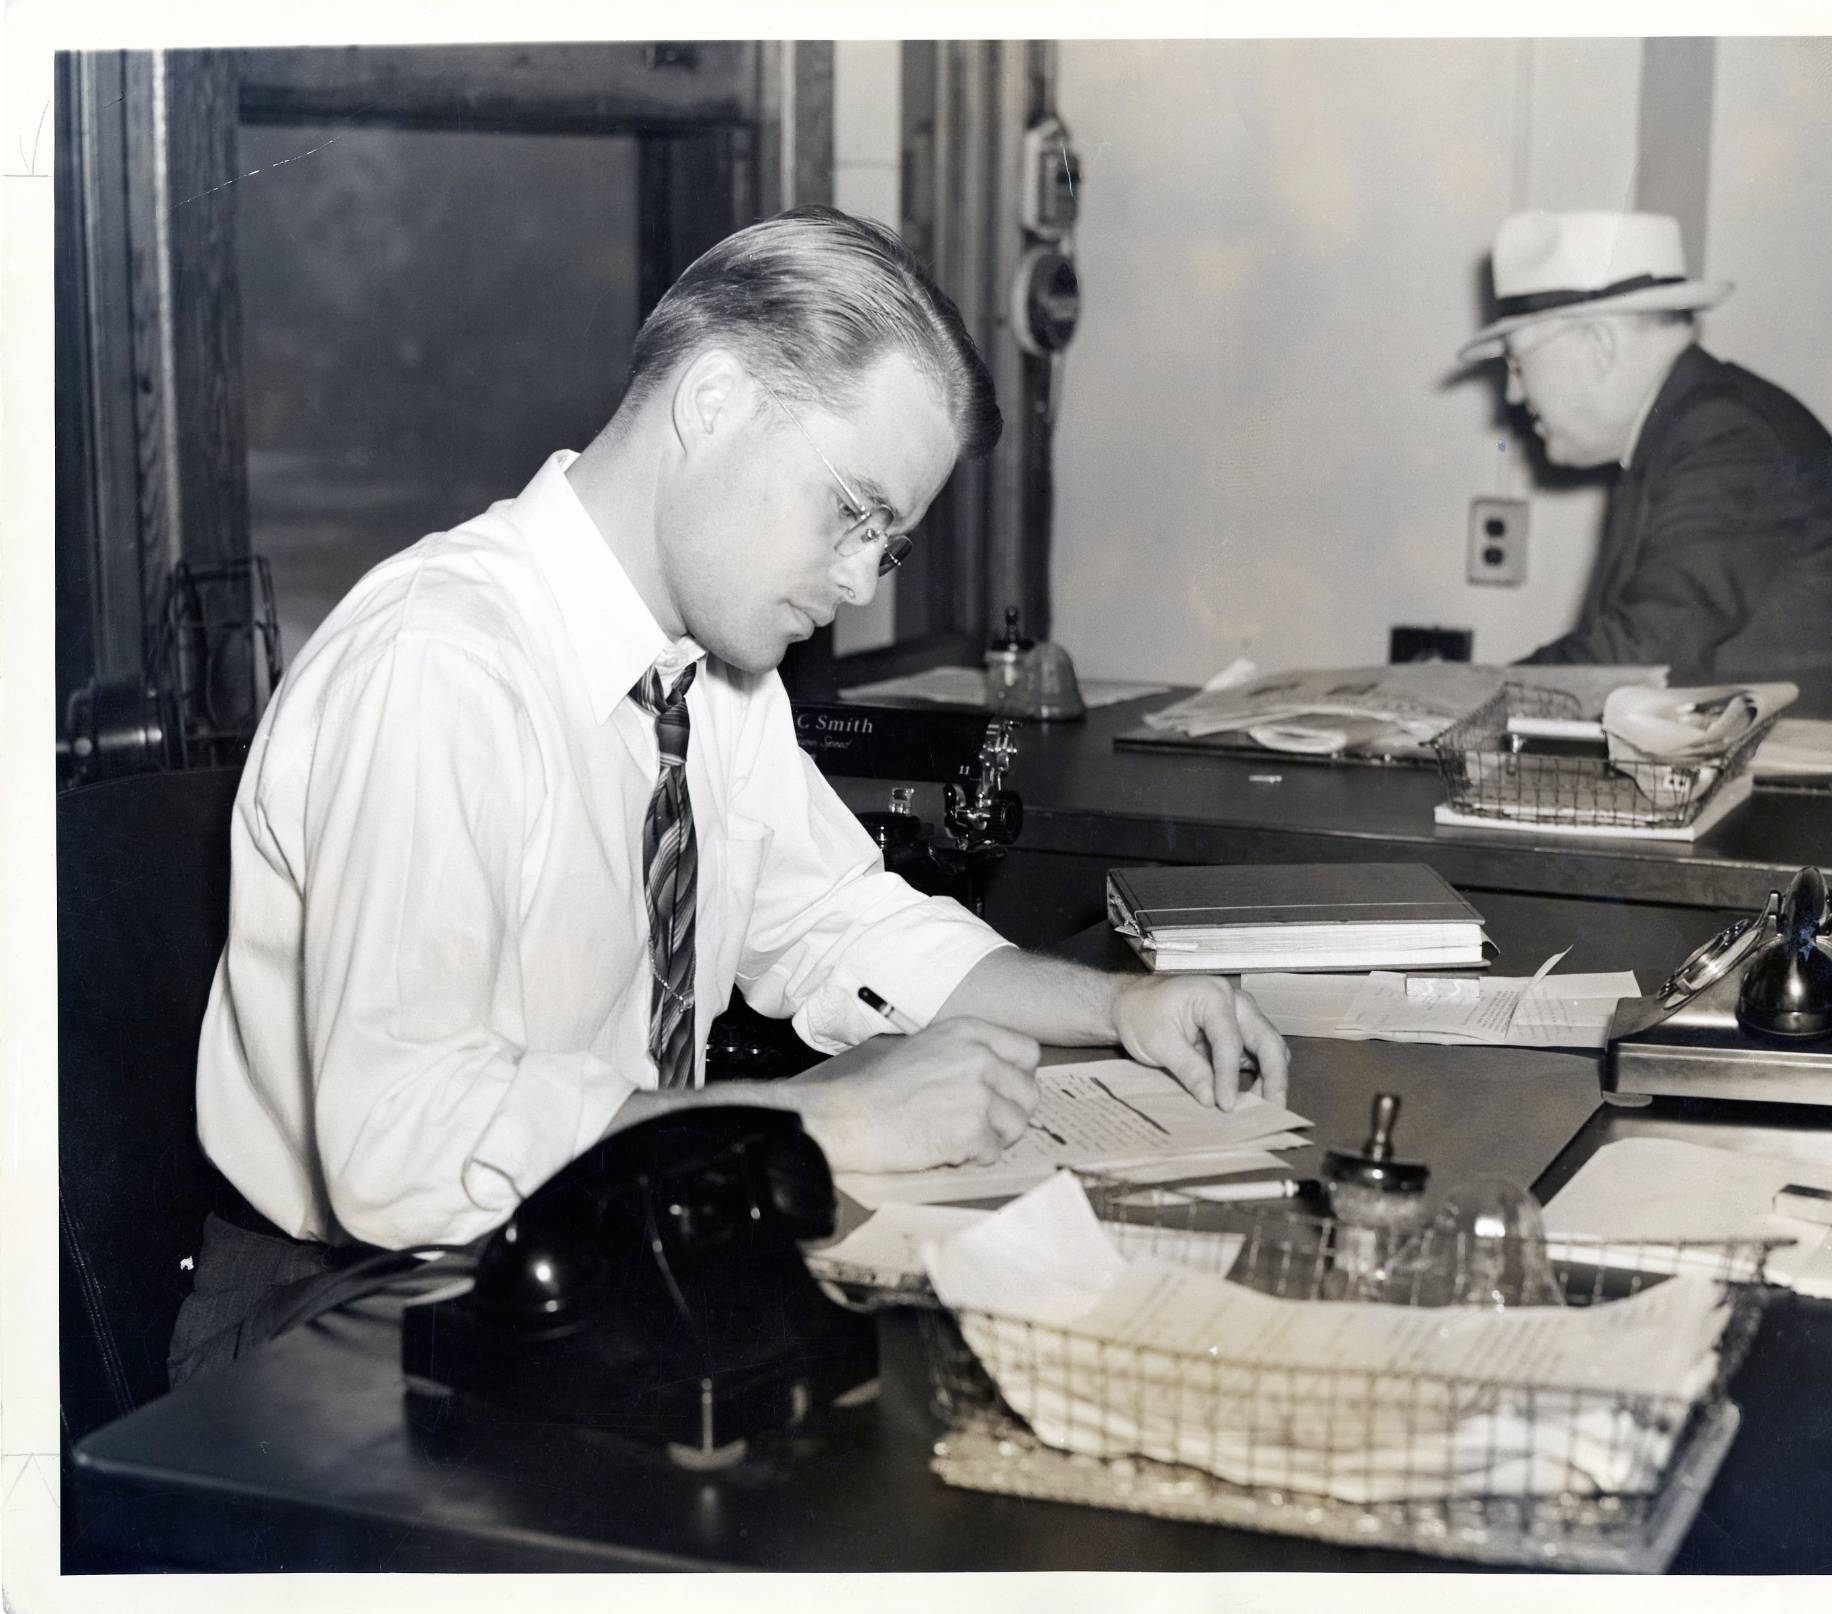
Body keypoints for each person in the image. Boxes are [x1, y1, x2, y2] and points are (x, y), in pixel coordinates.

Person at [174, 207, 1288, 1381]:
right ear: (711, 403)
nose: (860, 581)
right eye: (853, 512)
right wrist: (821, 1120)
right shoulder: (440, 663)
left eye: (890, 543)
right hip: (344, 1316)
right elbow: (400, 1142)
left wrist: (1115, 1009)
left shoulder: (708, 679)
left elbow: (842, 927)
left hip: (601, 1238)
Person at [1460, 211, 1832, 720]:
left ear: (1598, 346)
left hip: (1804, 791)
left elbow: (1631, 659)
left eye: (1516, 364)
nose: (1514, 394)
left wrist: (1450, 701)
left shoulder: (1728, 440)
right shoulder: (1691, 429)